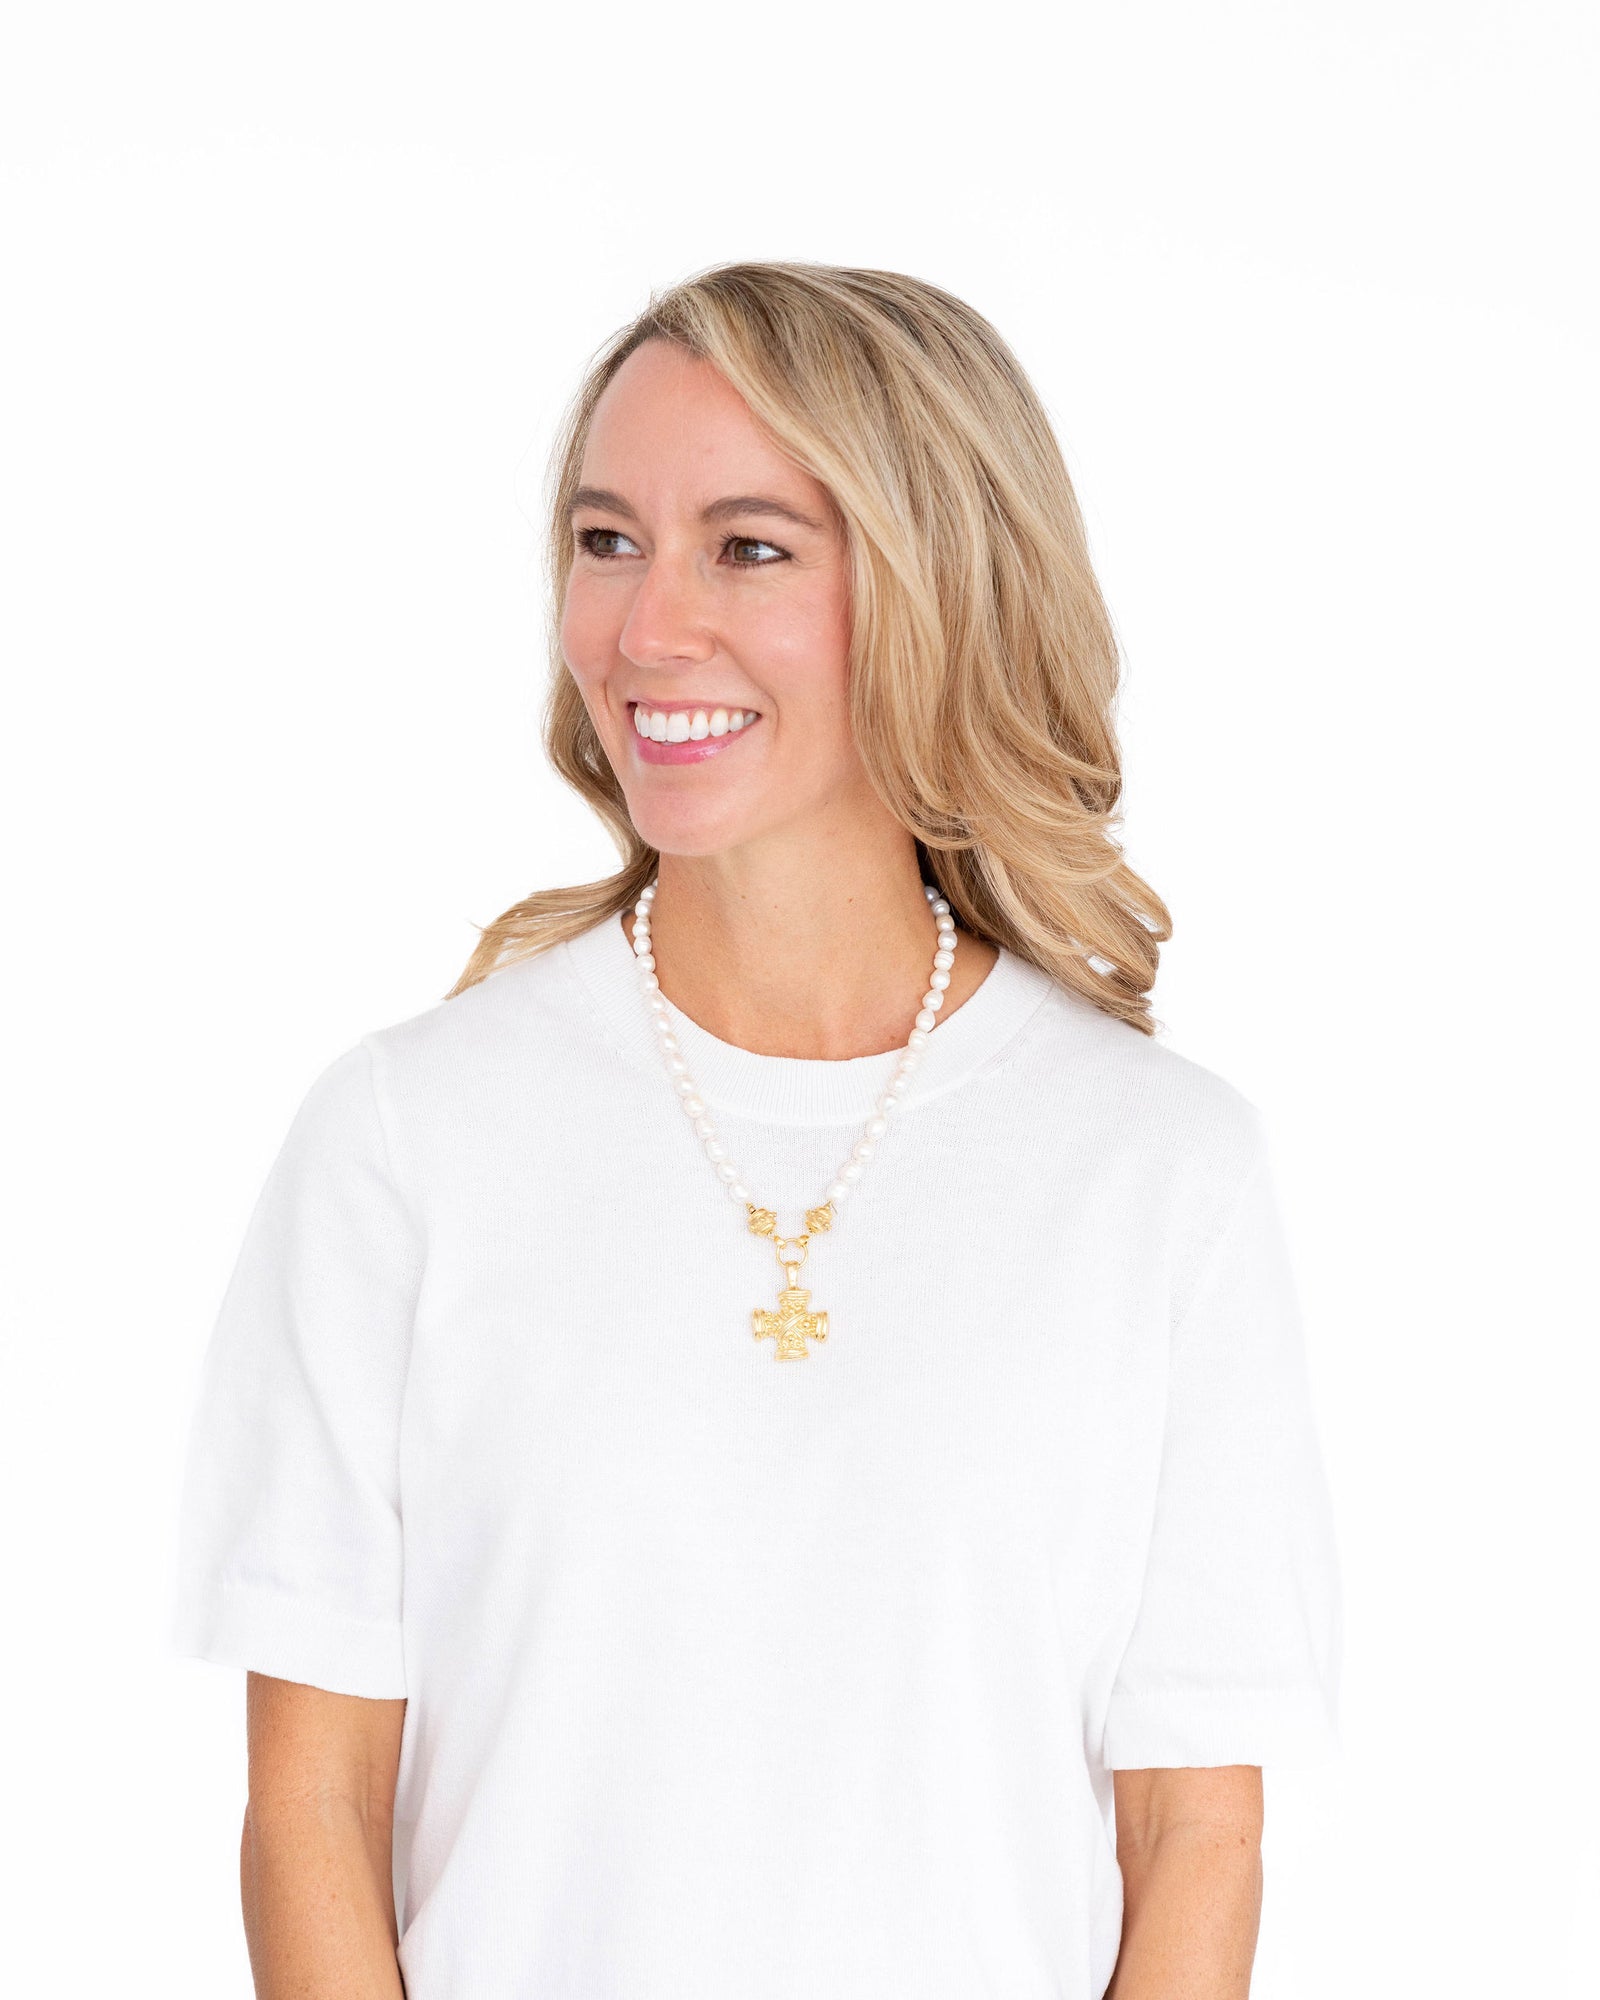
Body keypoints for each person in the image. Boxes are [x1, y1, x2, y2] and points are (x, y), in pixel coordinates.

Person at [170, 260, 1342, 2000]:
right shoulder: (409, 1138)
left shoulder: (1161, 1172)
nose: (647, 630)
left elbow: (1195, 1838)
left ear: (940, 583)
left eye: (750, 547)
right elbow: (310, 1808)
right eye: (608, 539)